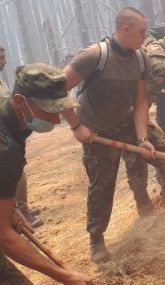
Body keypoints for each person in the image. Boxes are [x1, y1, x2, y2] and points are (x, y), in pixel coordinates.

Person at [61, 8, 165, 264]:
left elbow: (141, 100)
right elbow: (57, 89)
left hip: (127, 121)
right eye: (142, 31)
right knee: (102, 185)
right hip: (96, 128)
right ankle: (96, 241)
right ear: (125, 29)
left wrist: (143, 139)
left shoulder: (141, 58)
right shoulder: (94, 56)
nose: (146, 36)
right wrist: (76, 126)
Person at [0, 63, 94, 285]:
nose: (55, 120)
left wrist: (9, 207)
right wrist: (65, 276)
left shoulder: (11, 121)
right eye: (49, 110)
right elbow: (4, 236)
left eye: (59, 110)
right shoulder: (5, 150)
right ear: (20, 101)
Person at [0, 46, 43, 228]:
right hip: (3, 133)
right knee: (16, 175)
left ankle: (21, 208)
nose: (5, 61)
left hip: (9, 129)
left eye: (4, 56)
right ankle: (20, 213)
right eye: (0, 57)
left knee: (19, 172)